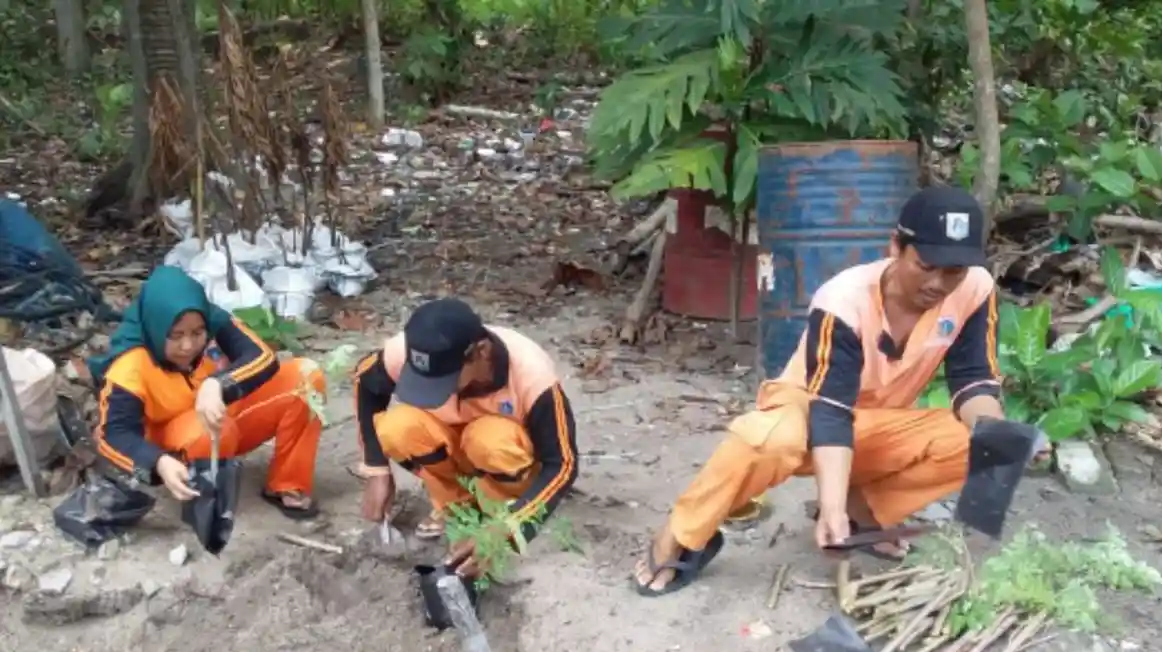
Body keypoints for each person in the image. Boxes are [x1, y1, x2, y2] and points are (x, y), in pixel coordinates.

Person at [633, 186, 1010, 596]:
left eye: (953, 272)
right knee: (768, 439)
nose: (939, 283)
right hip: (808, 409)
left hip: (878, 423)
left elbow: (973, 378)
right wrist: (827, 507)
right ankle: (680, 532)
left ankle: (862, 512)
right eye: (926, 265)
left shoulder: (975, 288)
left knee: (976, 442)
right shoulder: (844, 300)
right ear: (896, 247)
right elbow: (831, 411)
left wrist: (996, 432)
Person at [353, 297, 579, 578]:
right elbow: (366, 382)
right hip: (453, 448)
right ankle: (456, 508)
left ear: (481, 352)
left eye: (444, 380)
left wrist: (509, 528)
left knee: (489, 439)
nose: (438, 391)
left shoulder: (531, 376)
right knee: (397, 426)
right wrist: (377, 469)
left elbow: (563, 464)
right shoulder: (410, 351)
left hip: (505, 461)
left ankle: (497, 512)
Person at [91, 266, 324, 519]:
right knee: (213, 429)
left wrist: (217, 384)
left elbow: (262, 357)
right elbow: (112, 434)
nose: (188, 345)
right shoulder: (129, 365)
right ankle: (204, 498)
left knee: (306, 378)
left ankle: (287, 483)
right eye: (175, 335)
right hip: (176, 445)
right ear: (155, 329)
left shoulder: (212, 320)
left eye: (197, 333)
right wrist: (158, 462)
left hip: (222, 415)